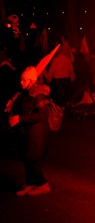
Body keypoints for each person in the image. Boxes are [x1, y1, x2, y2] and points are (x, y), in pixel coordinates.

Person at [7, 66, 51, 196]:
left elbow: (42, 115)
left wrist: (19, 118)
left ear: (32, 81)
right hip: (26, 131)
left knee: (31, 159)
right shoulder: (25, 93)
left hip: (35, 133)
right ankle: (31, 183)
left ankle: (43, 185)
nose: (21, 82)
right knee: (26, 158)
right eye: (21, 80)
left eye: (24, 80)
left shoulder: (39, 95)